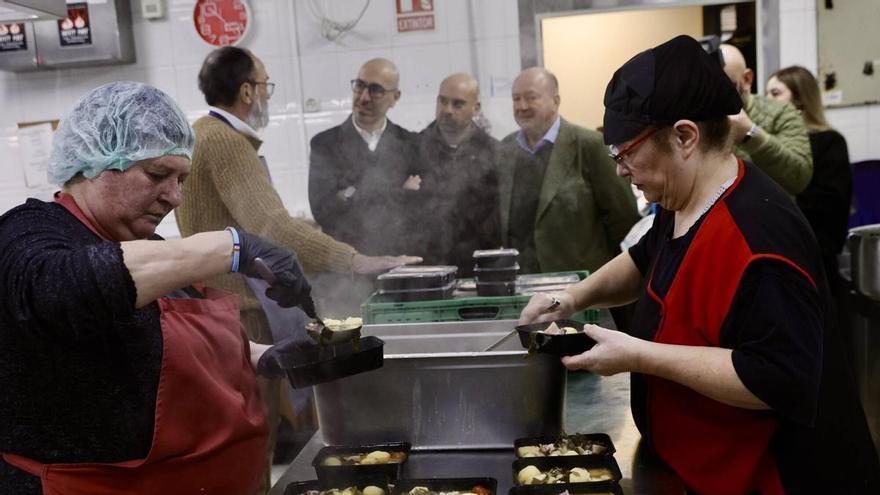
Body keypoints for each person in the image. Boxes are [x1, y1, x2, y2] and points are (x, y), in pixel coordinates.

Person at [519, 36, 879, 494]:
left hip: (769, 479)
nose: (620, 170)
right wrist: (568, 297)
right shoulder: (683, 198)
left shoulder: (761, 234)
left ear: (685, 136)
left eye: (627, 153)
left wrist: (638, 355)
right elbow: (643, 258)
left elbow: (777, 378)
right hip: (694, 469)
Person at [0, 81, 315, 494]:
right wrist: (230, 246)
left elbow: (163, 341)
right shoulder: (29, 232)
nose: (175, 197)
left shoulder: (148, 247)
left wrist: (259, 356)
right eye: (158, 174)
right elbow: (63, 288)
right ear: (94, 163)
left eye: (180, 179)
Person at [175, 46, 419, 481]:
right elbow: (273, 228)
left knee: (236, 441)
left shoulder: (202, 136)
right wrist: (354, 259)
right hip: (238, 315)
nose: (267, 93)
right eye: (265, 84)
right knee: (251, 440)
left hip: (215, 307)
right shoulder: (227, 142)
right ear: (248, 91)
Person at [500, 67, 638, 274]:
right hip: (522, 284)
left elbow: (623, 220)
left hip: (581, 285)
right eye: (516, 99)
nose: (522, 106)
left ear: (555, 101)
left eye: (531, 98)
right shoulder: (506, 149)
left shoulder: (590, 145)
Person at [308, 58, 421, 257]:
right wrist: (399, 192)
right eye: (359, 86)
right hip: (346, 270)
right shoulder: (325, 144)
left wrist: (350, 193)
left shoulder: (411, 144)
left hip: (398, 267)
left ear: (395, 97)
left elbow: (418, 211)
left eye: (376, 90)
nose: (364, 98)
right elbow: (323, 212)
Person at [766, 65, 852, 297]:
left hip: (814, 261)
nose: (766, 102)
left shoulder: (829, 143)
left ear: (801, 100)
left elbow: (831, 204)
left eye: (775, 94)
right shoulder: (768, 147)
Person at [411, 73, 509, 275]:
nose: (447, 110)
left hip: (480, 268)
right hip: (426, 268)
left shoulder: (495, 153)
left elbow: (502, 217)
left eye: (458, 104)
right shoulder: (413, 150)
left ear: (476, 108)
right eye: (442, 101)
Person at [720, 43, 814, 196]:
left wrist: (751, 133)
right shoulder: (699, 120)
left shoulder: (780, 112)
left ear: (747, 79)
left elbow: (799, 177)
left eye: (727, 85)